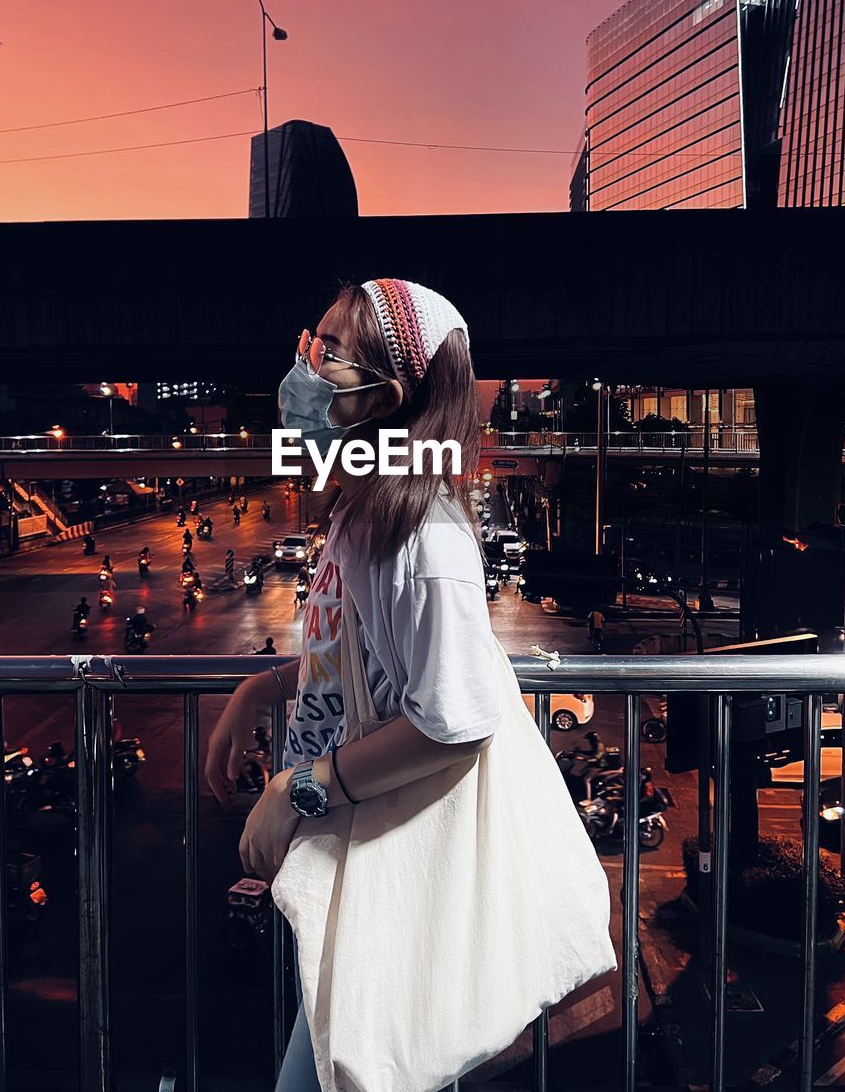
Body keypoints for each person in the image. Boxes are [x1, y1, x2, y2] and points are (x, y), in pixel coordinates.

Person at [203, 279, 503, 1091]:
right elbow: (357, 656)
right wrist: (263, 690)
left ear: (390, 395)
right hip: (355, 862)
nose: (302, 369)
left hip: (389, 872)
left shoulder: (420, 535)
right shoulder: (363, 515)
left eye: (326, 353)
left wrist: (296, 788)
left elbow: (456, 721)